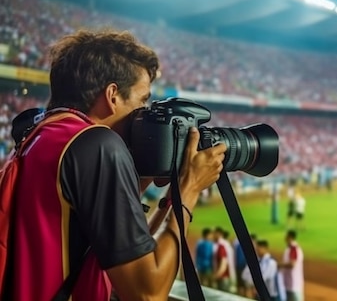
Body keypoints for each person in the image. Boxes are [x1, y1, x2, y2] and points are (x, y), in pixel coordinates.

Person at [7, 30, 227, 301]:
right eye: (142, 100)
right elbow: (147, 293)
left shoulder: (40, 134)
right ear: (112, 95)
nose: (145, 111)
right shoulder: (98, 145)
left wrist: (150, 184)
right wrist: (190, 189)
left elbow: (120, 252)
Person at [279, 230, 304, 301]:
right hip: (288, 283)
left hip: (293, 284)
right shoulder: (289, 248)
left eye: (286, 236)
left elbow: (292, 264)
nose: (285, 237)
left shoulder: (294, 248)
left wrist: (279, 265)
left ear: (290, 237)